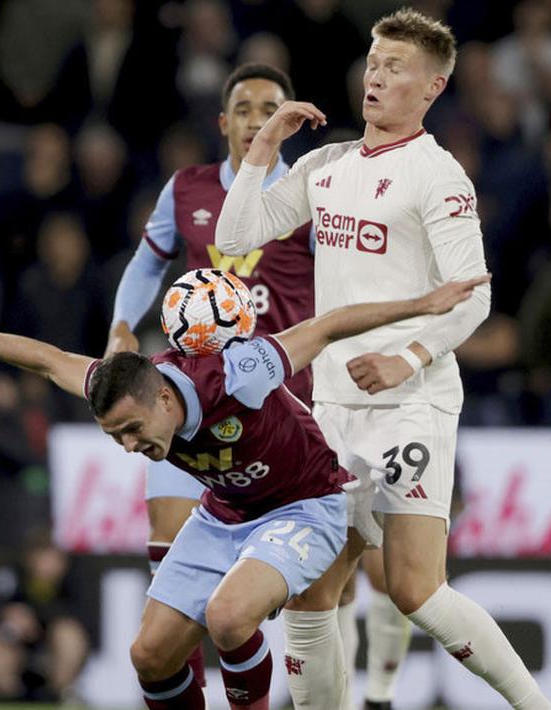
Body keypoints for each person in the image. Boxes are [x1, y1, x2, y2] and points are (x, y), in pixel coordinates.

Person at [0, 273, 487, 709]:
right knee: (149, 657)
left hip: (306, 506)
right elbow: (50, 360)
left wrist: (422, 306)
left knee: (229, 617)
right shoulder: (124, 386)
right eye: (115, 437)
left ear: (163, 397)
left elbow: (326, 326)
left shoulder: (241, 372)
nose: (129, 446)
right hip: (224, 515)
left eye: (132, 431)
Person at [215, 9, 551, 710]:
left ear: (430, 88)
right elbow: (236, 234)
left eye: (394, 67)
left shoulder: (439, 177)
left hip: (409, 405)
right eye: (373, 63)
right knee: (313, 589)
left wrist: (407, 356)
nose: (376, 77)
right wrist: (262, 149)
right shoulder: (326, 166)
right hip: (332, 407)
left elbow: (472, 298)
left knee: (412, 588)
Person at [104, 62, 312, 690]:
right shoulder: (187, 188)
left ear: (289, 121)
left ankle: (335, 687)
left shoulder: (310, 195)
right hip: (188, 396)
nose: (256, 119)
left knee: (314, 593)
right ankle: (182, 680)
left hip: (278, 404)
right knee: (166, 532)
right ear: (224, 122)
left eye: (269, 107)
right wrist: (121, 324)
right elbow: (148, 262)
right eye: (244, 108)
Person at [0, 527, 90, 702]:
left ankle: (57, 697)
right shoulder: (11, 575)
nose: (47, 565)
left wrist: (36, 619)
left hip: (49, 650)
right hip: (14, 646)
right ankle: (10, 699)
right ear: (30, 558)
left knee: (69, 635)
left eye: (53, 558)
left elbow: (82, 619)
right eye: (42, 557)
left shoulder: (74, 580)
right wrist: (8, 615)